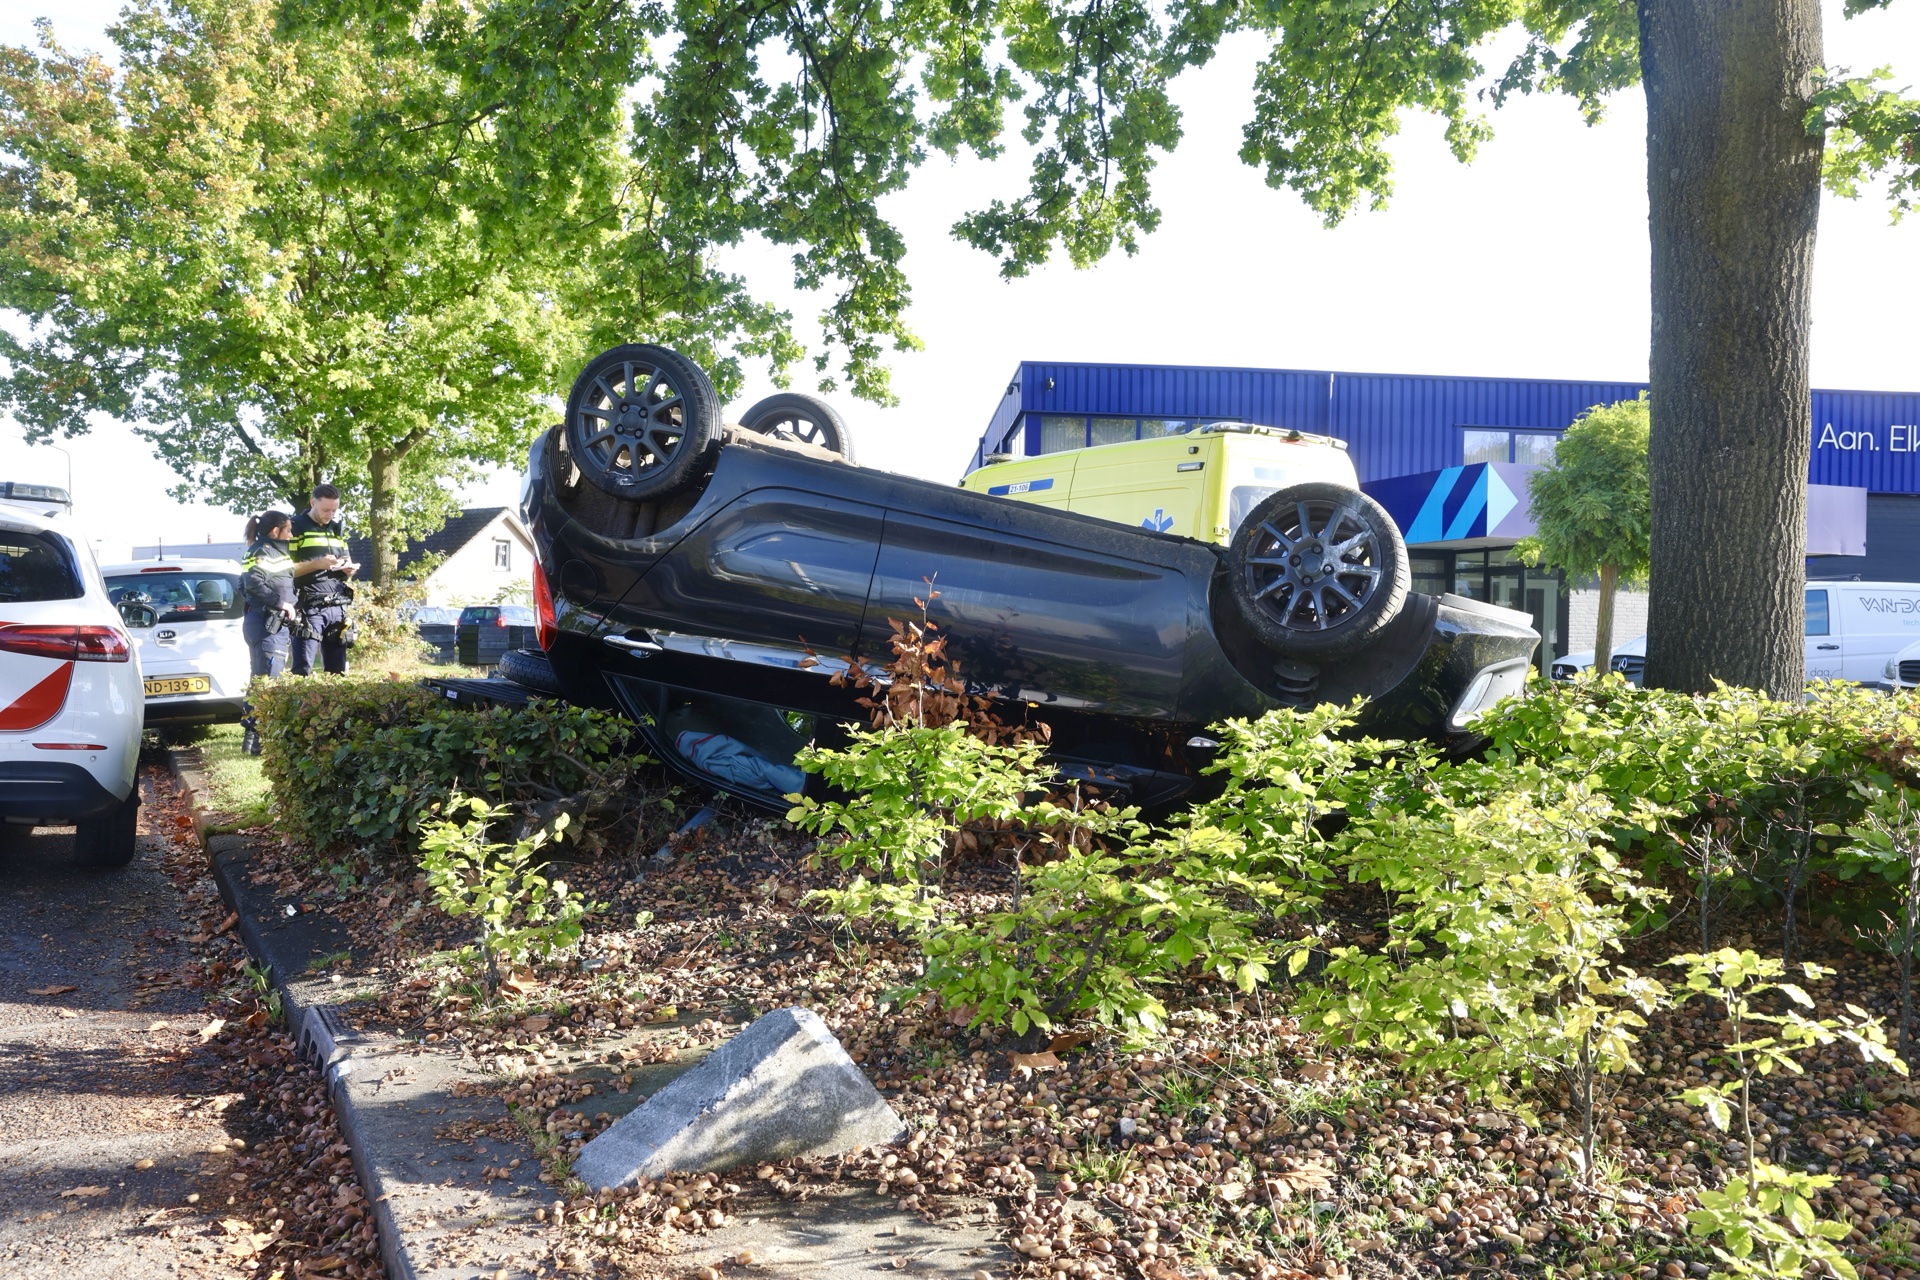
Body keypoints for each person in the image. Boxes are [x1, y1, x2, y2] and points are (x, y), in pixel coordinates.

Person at [288, 483, 360, 676]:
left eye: (334, 510)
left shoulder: (337, 529)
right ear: (312, 502)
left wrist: (348, 569)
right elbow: (284, 570)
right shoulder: (295, 527)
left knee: (338, 671)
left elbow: (346, 560)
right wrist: (317, 564)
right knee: (303, 668)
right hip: (309, 606)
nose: (330, 514)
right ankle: (300, 705)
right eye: (325, 509)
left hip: (338, 605)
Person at [240, 510, 296, 754]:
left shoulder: (266, 551)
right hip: (266, 623)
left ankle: (252, 742)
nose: (292, 534)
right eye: (289, 529)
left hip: (264, 622)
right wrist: (280, 603)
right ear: (276, 531)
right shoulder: (264, 552)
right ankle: (261, 743)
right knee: (269, 682)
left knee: (261, 680)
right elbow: (252, 583)